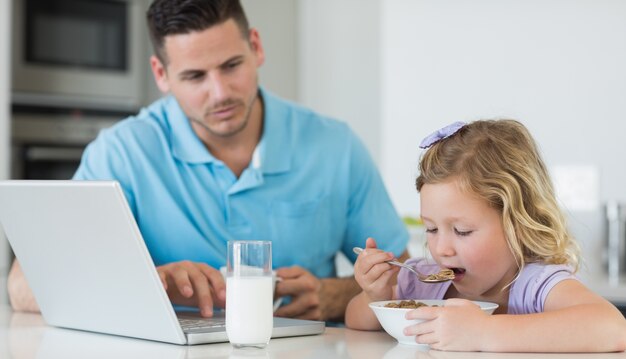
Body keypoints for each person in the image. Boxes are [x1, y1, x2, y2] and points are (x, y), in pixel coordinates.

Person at [7, 0, 409, 322]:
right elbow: (22, 285)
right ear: (161, 74)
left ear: (256, 46)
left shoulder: (333, 145)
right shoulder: (121, 153)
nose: (220, 93)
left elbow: (403, 275)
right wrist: (149, 282)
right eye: (195, 76)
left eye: (231, 65)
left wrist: (336, 294)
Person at [345, 120, 626, 352]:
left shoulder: (536, 284)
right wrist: (376, 295)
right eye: (431, 229)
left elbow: (613, 328)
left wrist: (483, 332)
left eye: (462, 231)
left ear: (516, 223)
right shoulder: (421, 282)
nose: (441, 249)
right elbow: (356, 321)